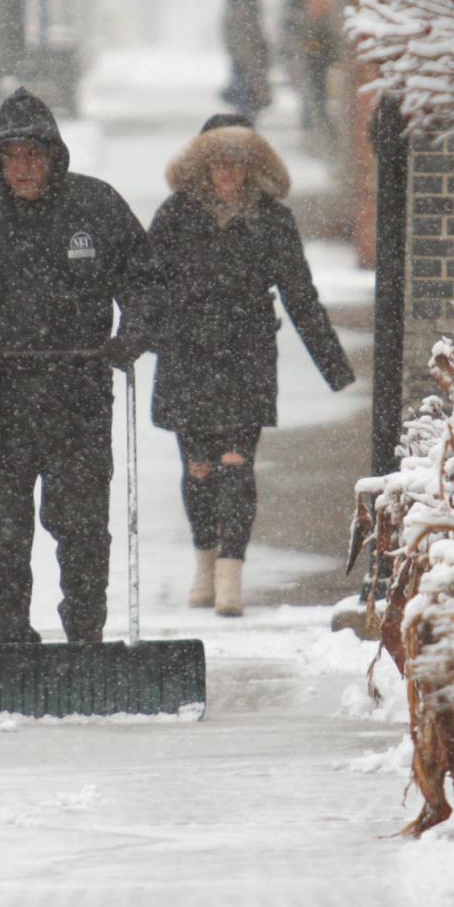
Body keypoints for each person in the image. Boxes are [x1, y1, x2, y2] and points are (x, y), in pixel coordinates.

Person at [0, 87, 152, 646]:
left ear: (53, 156)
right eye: (12, 157)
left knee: (83, 530)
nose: (23, 168)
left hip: (79, 398)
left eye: (34, 155)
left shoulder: (96, 208)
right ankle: (7, 644)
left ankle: (85, 640)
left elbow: (146, 281)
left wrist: (131, 336)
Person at [147, 113, 356, 617]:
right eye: (218, 162)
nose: (228, 173)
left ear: (252, 165)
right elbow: (146, 284)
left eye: (238, 163)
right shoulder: (175, 215)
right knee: (198, 467)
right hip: (188, 354)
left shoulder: (272, 219)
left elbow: (300, 293)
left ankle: (230, 576)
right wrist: (139, 339)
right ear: (203, 164)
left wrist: (333, 364)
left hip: (247, 353)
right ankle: (204, 564)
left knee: (236, 463)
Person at [221, 0, 272, 121]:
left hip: (243, 65)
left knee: (246, 107)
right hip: (247, 66)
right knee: (247, 108)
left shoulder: (238, 5)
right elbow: (246, 42)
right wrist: (256, 71)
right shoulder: (244, 7)